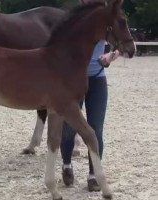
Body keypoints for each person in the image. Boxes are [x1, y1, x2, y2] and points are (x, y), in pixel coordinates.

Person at [60, 0, 120, 192]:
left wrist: (110, 56)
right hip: (73, 81)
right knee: (69, 128)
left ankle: (93, 175)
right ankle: (67, 165)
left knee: (96, 128)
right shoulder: (71, 21)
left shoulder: (105, 19)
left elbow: (120, 44)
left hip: (97, 79)